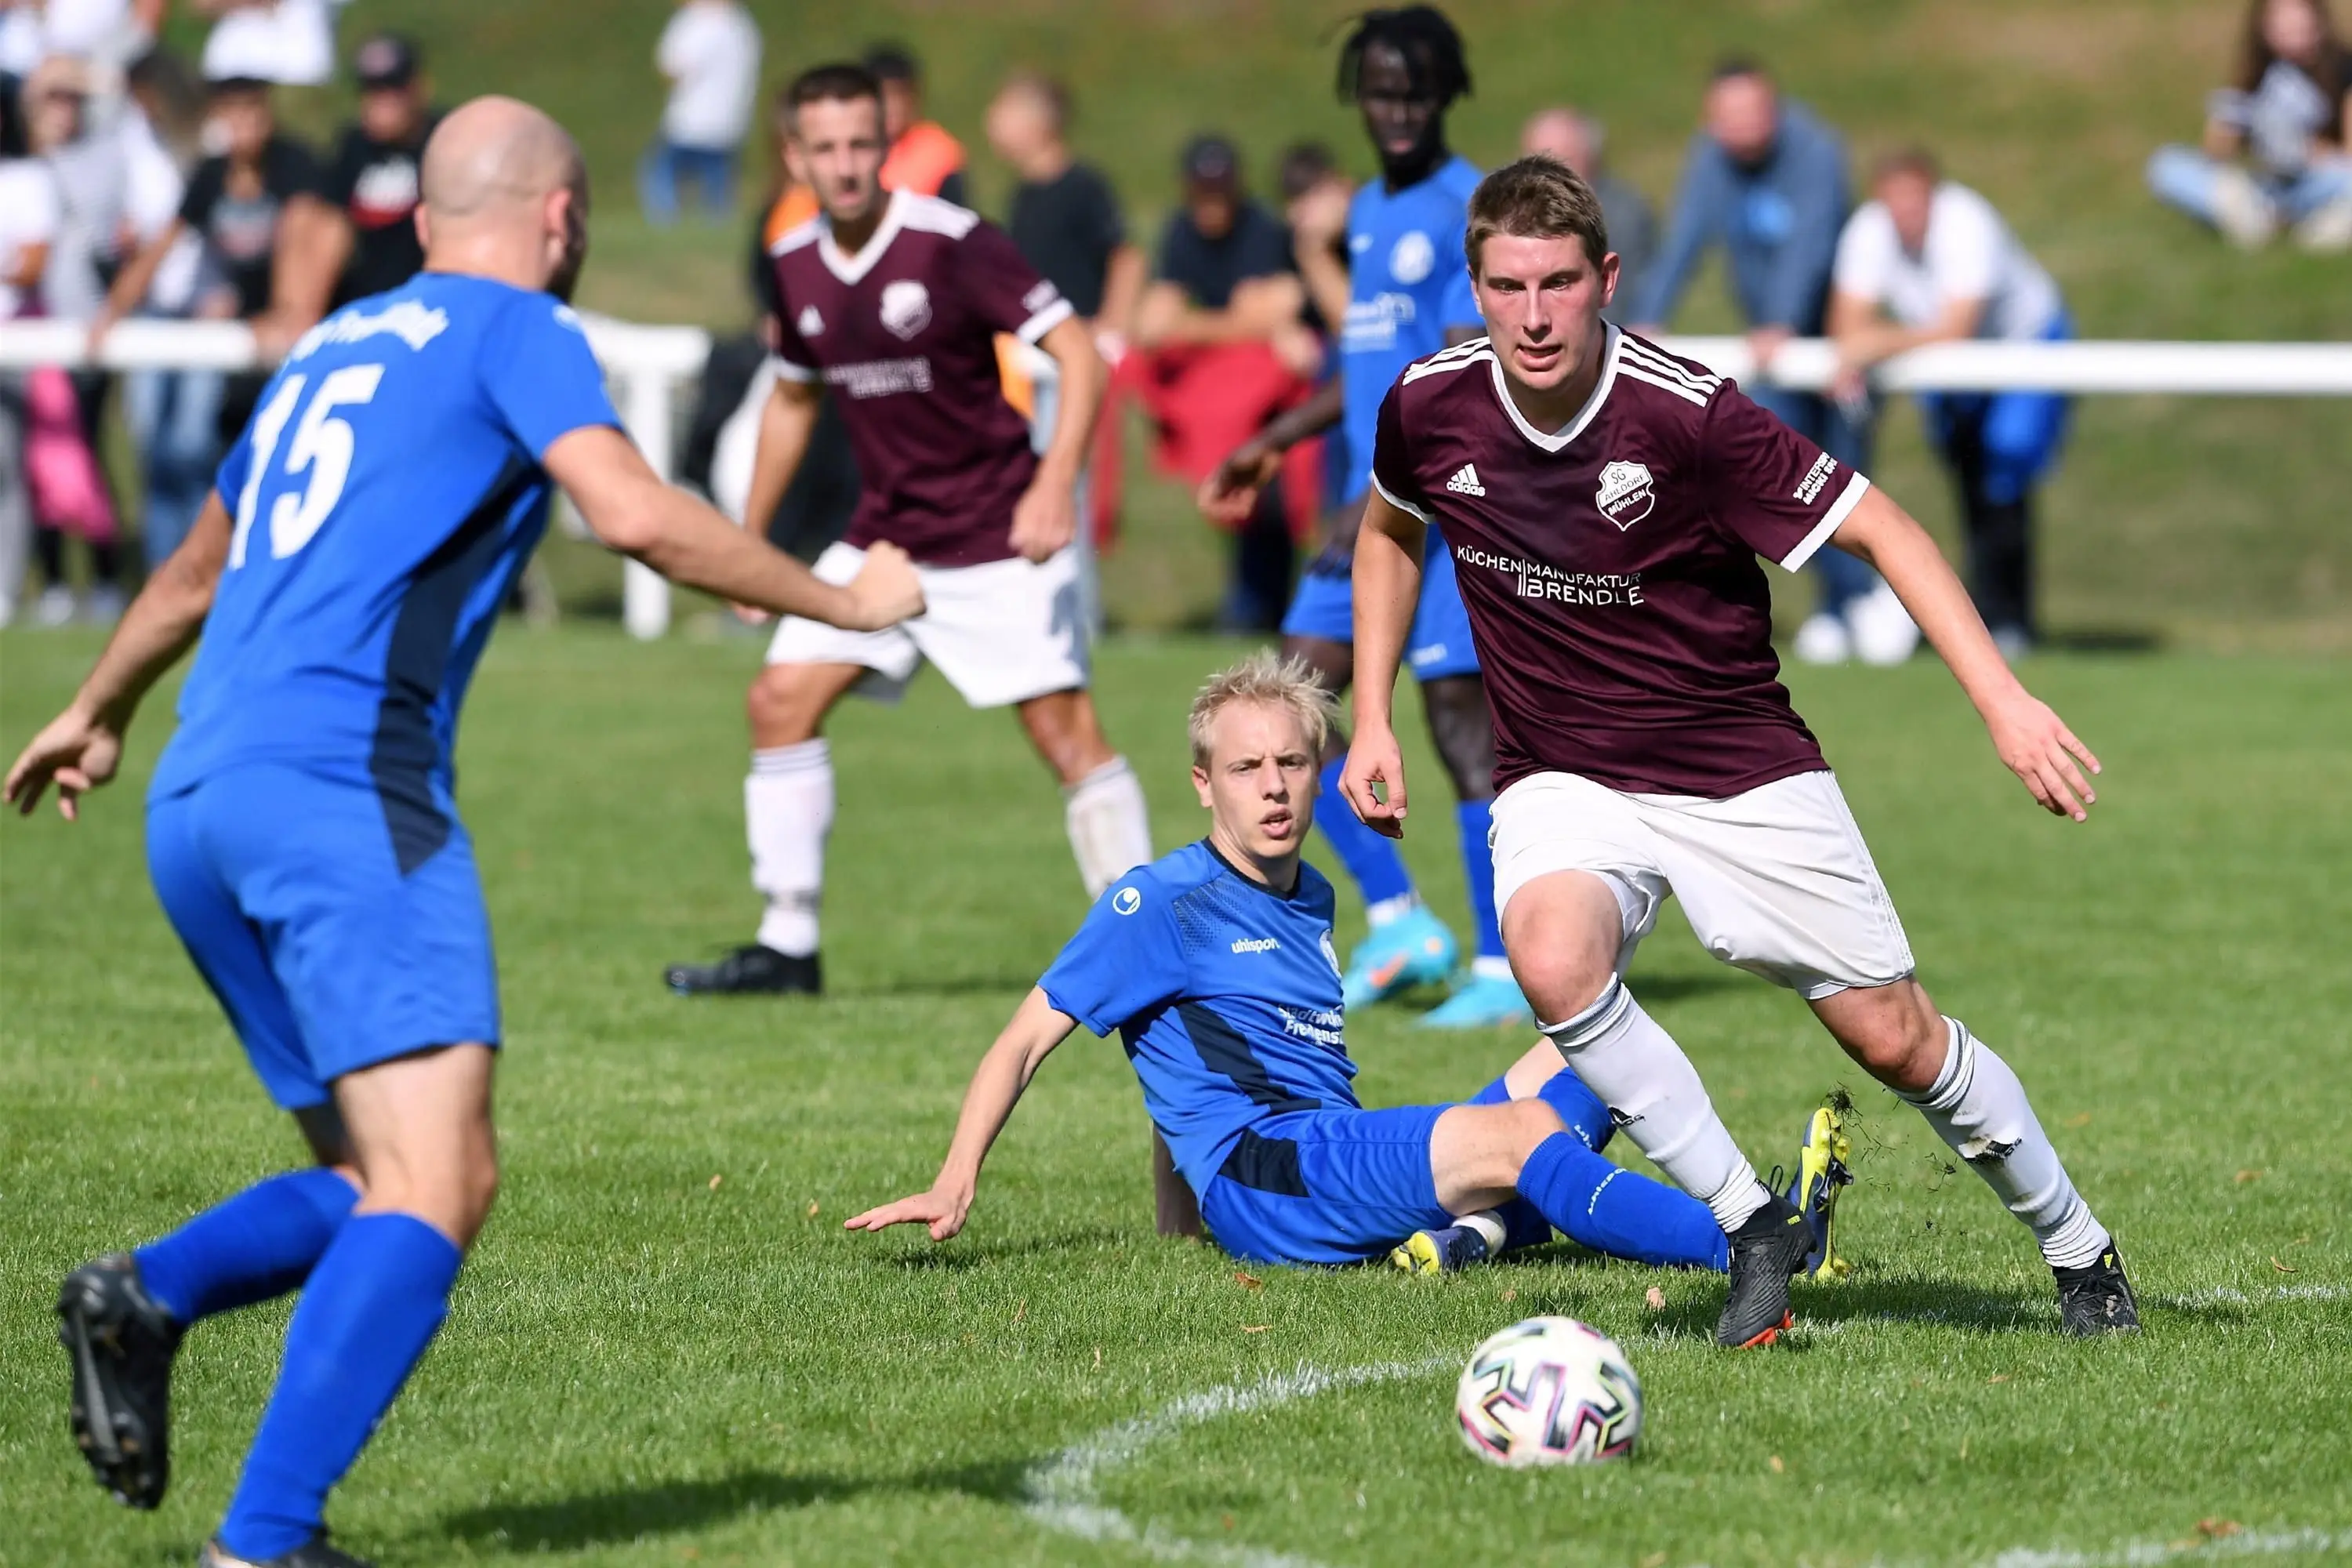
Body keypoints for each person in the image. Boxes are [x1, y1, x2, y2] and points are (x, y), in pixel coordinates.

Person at [6, 95, 922, 1568]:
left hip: (195, 798)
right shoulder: (519, 328)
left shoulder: (329, 346)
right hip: (337, 792)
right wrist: (847, 604)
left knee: (381, 1179)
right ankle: (265, 1542)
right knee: (443, 1182)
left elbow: (194, 562)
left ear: (425, 220)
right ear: (559, 221)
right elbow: (629, 514)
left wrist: (98, 707)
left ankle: (144, 1296)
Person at [1344, 155, 2137, 1349]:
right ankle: (1750, 1221)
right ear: (1476, 287)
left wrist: (2003, 702)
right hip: (1561, 770)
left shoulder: (1686, 414)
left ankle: (2080, 1251)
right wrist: (1369, 715)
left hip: (1735, 767)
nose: (1537, 313)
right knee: (1550, 960)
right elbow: (1389, 530)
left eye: (1561, 282)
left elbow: (1886, 528)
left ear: (1606, 278)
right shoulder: (1430, 401)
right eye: (1508, 287)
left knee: (1894, 1039)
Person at [845, 649, 1853, 1279]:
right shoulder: (1160, 900)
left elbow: (1180, 1054)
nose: (1274, 789)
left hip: (1321, 1150)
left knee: (1587, 1045)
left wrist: (1173, 1237)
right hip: (1271, 1173)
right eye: (1246, 769)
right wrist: (954, 1175)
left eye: (1293, 764)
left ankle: (1473, 1238)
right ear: (1205, 785)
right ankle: (1758, 1244)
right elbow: (1027, 1040)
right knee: (1522, 1132)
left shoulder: (1312, 890)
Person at [664, 63, 1145, 1001]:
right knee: (779, 699)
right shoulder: (796, 260)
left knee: (1065, 737)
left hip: (996, 534)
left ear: (885, 146)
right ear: (794, 155)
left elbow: (1077, 354)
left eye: (860, 144)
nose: (845, 165)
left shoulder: (953, 243)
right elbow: (794, 402)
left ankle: (1138, 946)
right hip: (885, 545)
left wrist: (1054, 486)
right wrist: (750, 542)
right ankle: (788, 945)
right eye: (825, 148)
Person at [1196, 7, 1529, 1029]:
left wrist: (1385, 495)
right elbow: (1376, 367)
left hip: (1439, 513)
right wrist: (1275, 438)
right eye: (1380, 92)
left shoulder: (1458, 206)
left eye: (1414, 92)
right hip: (1373, 506)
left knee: (1456, 727)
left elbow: (1468, 375)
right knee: (1293, 706)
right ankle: (1398, 915)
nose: (1396, 109)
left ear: (1445, 93)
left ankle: (1501, 971)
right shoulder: (1376, 210)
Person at [1628, 59, 1908, 669]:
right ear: (1712, 119)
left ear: (1773, 109)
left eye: (1753, 112)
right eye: (1728, 117)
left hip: (1835, 339)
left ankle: (1868, 596)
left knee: (1846, 467)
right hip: (1778, 355)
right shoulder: (1709, 161)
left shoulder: (1816, 150)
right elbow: (1684, 239)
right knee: (1787, 471)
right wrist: (1650, 317)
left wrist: (1781, 316)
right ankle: (1839, 604)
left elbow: (1813, 242)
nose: (1742, 127)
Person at [1831, 150, 2071, 658]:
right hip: (1945, 360)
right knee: (1961, 467)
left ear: (1933, 195)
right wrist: (1872, 339)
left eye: (1914, 201)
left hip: (2024, 343)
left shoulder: (1967, 222)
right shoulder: (1869, 231)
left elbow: (1955, 329)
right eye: (1894, 203)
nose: (1904, 215)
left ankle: (2011, 618)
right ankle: (1977, 613)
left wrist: (1877, 341)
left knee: (2005, 465)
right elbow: (1846, 325)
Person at [1134, 133, 1316, 633]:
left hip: (1275, 400)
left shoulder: (1262, 229)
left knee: (1277, 500)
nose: (1211, 203)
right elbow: (1152, 323)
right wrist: (1237, 322)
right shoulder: (1179, 233)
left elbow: (1279, 309)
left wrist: (1196, 324)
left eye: (1219, 191)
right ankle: (1251, 605)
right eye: (1202, 191)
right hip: (1221, 405)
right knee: (1239, 490)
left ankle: (1272, 605)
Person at [93, 73, 333, 436]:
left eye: (252, 111)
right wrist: (113, 309)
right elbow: (161, 246)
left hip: (292, 316)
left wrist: (288, 310)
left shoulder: (293, 165)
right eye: (233, 114)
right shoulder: (212, 174)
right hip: (242, 321)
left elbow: (304, 239)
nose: (244, 125)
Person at [23, 55, 132, 625]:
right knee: (36, 462)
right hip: (28, 330)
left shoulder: (103, 159)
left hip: (85, 327)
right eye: (52, 98)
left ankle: (107, 572)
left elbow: (106, 234)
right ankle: (56, 577)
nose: (62, 109)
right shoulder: (19, 163)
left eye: (71, 98)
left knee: (85, 453)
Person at [117, 46, 232, 575]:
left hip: (203, 306)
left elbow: (206, 229)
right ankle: (162, 564)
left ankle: (201, 557)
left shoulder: (211, 143)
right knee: (148, 438)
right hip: (152, 306)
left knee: (191, 438)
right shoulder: (135, 142)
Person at [2147, 0, 2352, 250]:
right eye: (2282, 23)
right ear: (2263, 28)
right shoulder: (2255, 75)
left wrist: (2313, 151)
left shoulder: (2343, 67)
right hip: (2265, 184)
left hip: (2319, 180)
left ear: (2318, 21)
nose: (2292, 29)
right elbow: (2213, 158)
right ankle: (2257, 216)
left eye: (2299, 21)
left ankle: (2316, 224)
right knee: (2166, 165)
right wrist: (2226, 122)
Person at [988, 71, 1144, 359]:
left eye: (1004, 111)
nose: (991, 121)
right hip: (1037, 344)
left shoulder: (1083, 187)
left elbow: (1125, 258)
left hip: (1081, 343)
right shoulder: (1022, 194)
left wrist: (1112, 329)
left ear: (1039, 122)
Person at [313, 34, 437, 307]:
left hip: (427, 295)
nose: (382, 101)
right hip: (364, 298)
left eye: (393, 88)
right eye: (372, 90)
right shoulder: (353, 146)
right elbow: (328, 225)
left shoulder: (443, 140)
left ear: (418, 88)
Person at [0, 74, 56, 626]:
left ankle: (7, 584)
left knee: (4, 460)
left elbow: (35, 258)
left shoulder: (26, 178)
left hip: (11, 336)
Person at [1519, 106, 1655, 318]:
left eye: (1563, 160)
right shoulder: (1507, 217)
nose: (1547, 176)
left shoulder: (1623, 215)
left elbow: (1636, 294)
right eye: (1536, 162)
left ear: (1590, 159)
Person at [640, 0, 760, 227]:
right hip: (730, 120)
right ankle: (717, 223)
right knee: (717, 182)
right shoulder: (743, 26)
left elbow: (674, 67)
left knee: (660, 171)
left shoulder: (697, 23)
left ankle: (666, 222)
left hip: (691, 118)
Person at [865, 42, 966, 204]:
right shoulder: (848, 149)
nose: (892, 106)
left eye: (898, 95)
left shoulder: (938, 152)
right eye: (883, 96)